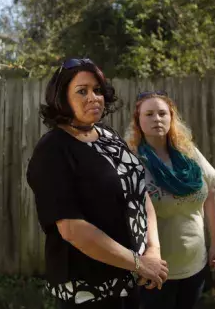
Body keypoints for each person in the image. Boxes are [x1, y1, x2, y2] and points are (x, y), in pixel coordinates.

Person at [26, 59, 169, 308]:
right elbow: (72, 228)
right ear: (62, 99)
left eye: (98, 90)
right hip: (89, 290)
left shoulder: (108, 136)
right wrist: (139, 262)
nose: (94, 97)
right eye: (82, 91)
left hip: (129, 280)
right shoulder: (53, 150)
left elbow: (139, 192)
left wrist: (153, 250)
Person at [123, 90, 215, 309]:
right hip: (154, 270)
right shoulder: (131, 162)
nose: (157, 119)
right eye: (148, 114)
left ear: (171, 118)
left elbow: (211, 195)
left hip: (195, 263)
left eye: (162, 113)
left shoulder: (189, 155)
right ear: (138, 121)